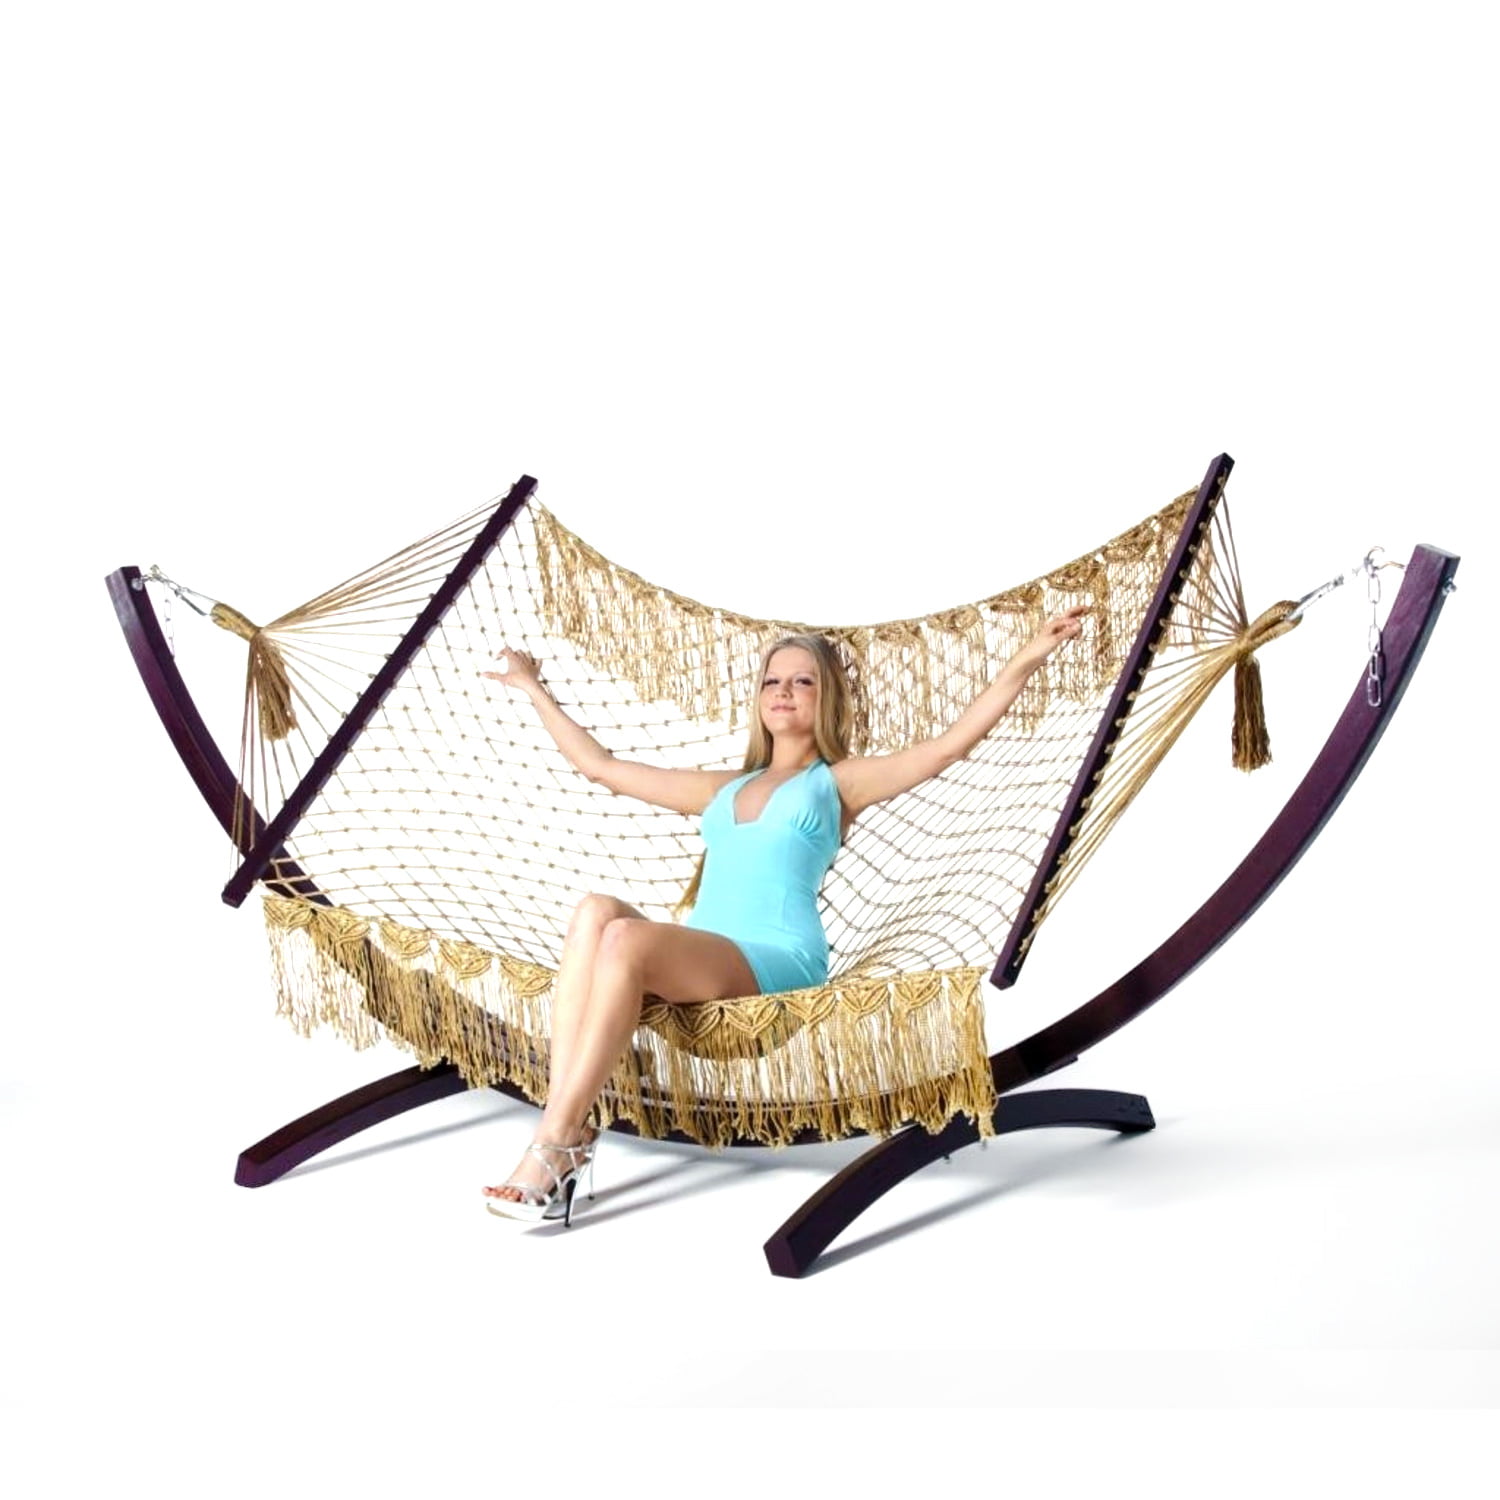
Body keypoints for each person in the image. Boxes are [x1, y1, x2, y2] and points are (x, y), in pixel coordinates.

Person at [479, 608, 1088, 1223]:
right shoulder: (725, 788)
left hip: (776, 959)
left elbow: (948, 747)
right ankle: (566, 1128)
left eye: (803, 681)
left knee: (624, 940)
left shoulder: (838, 783)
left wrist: (1028, 656)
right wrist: (533, 688)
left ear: (826, 698)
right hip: (706, 951)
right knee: (595, 913)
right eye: (772, 681)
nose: (784, 691)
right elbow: (602, 768)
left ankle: (555, 1142)